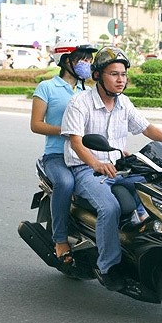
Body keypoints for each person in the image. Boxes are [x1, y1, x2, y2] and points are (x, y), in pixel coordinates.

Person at [61, 46, 162, 291]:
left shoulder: (124, 104)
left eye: (123, 74)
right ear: (98, 75)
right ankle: (108, 267)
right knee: (109, 207)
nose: (120, 80)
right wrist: (97, 163)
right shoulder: (80, 103)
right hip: (87, 170)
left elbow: (146, 128)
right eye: (113, 74)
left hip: (119, 167)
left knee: (154, 190)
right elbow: (76, 142)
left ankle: (142, 245)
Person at [30, 38, 98, 266]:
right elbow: (36, 124)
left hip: (83, 154)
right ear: (66, 60)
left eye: (89, 59)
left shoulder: (87, 91)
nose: (87, 63)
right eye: (82, 58)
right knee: (66, 184)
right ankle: (60, 239)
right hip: (56, 156)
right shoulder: (47, 87)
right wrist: (66, 131)